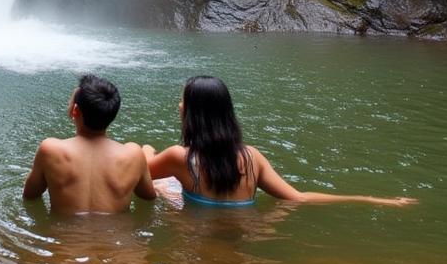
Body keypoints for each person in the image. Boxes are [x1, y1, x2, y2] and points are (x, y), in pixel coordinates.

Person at [146, 75, 418, 208]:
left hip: (196, 237)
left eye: (183, 100)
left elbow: (138, 171)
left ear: (193, 113)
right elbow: (298, 198)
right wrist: (370, 199)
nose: (179, 104)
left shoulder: (179, 158)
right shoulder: (252, 157)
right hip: (243, 234)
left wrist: (146, 150)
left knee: (163, 183)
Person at [23, 74, 157, 214]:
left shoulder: (50, 150)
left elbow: (30, 195)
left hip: (64, 235)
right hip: (116, 235)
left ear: (75, 110)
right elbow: (148, 197)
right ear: (113, 113)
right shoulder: (134, 154)